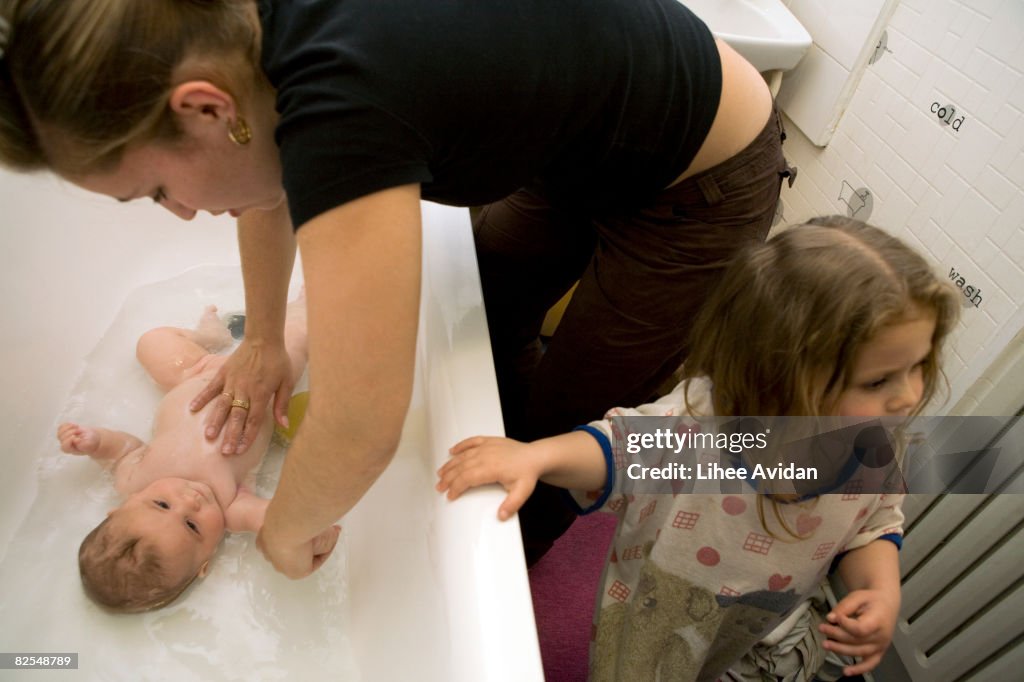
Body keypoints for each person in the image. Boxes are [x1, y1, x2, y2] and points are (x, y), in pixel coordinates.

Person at [0, 0, 788, 573]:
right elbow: (262, 180)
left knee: (557, 431)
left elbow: (360, 422)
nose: (179, 214)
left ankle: (514, 566)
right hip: (576, 142)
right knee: (493, 316)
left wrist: (282, 534)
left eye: (154, 190)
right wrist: (265, 337)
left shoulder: (341, 93)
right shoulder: (238, 34)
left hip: (698, 176)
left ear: (205, 108)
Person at [437, 217, 962, 680]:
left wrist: (880, 590)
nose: (910, 394)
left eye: (918, 366)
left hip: (755, 627)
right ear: (777, 372)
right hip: (651, 620)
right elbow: (619, 450)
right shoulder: (712, 430)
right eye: (877, 382)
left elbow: (872, 523)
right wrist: (538, 456)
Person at [57, 299, 341, 612]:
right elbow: (278, 521)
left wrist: (95, 442)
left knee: (151, 342)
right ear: (206, 562)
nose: (188, 501)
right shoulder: (231, 506)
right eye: (193, 526)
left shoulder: (133, 480)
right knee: (297, 334)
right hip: (267, 387)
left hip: (195, 374)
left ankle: (209, 338)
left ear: (119, 509)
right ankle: (308, 299)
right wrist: (311, 538)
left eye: (162, 504)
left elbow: (123, 449)